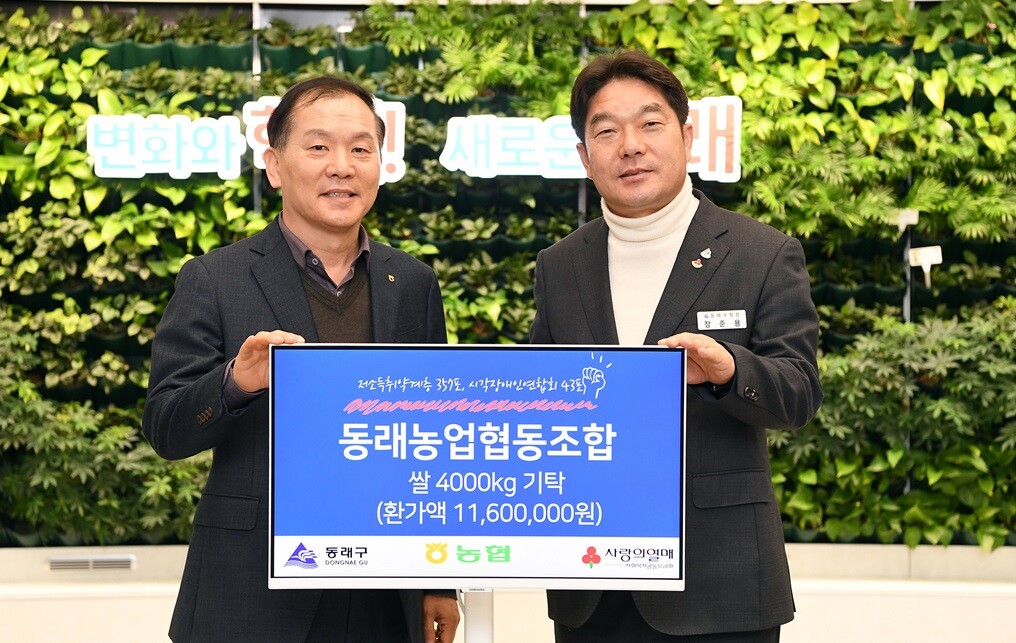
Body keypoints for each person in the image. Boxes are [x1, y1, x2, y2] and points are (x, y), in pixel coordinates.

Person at [142, 76, 459, 643]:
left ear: (380, 164)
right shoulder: (216, 278)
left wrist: (439, 581)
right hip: (251, 596)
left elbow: (432, 440)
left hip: (384, 595)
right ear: (275, 165)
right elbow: (166, 428)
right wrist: (236, 383)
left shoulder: (413, 284)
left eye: (361, 148)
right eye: (318, 147)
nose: (342, 166)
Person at [530, 50, 823, 642]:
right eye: (606, 132)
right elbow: (542, 398)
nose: (630, 146)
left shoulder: (761, 252)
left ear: (687, 138)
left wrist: (728, 370)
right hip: (592, 582)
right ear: (584, 157)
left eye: (650, 123)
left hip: (720, 584)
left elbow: (799, 393)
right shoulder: (559, 265)